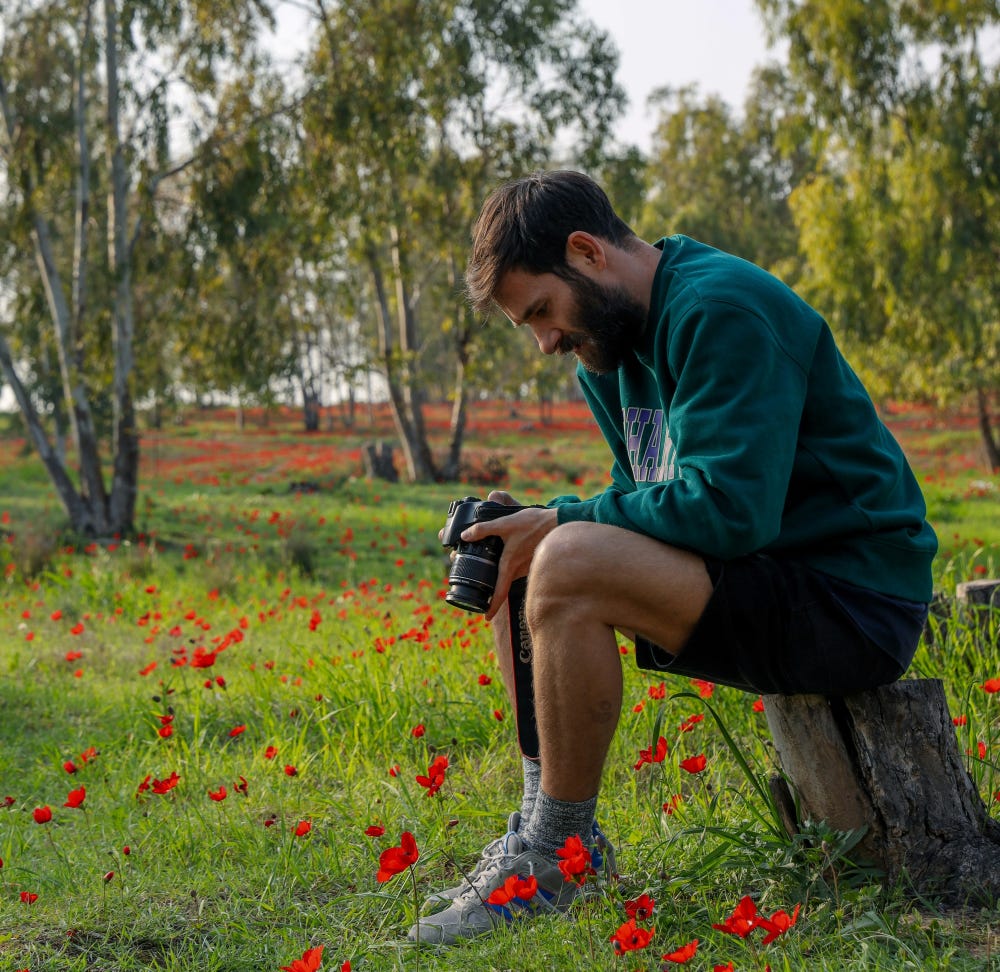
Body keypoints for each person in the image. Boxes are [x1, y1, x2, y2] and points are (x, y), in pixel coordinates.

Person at [408, 170, 937, 945]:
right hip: (769, 575)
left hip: (853, 600)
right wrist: (536, 527)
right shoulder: (612, 350)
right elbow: (647, 499)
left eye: (542, 313)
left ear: (585, 252)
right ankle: (537, 831)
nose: (547, 342)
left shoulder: (720, 308)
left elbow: (727, 508)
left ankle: (562, 854)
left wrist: (563, 522)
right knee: (525, 555)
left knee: (564, 554)